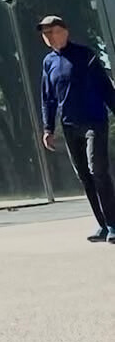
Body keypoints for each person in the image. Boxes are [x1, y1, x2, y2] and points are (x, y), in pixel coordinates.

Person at [38, 14, 115, 243]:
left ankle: (114, 223)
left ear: (65, 31)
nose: (49, 36)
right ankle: (103, 225)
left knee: (97, 170)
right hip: (70, 126)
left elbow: (105, 87)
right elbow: (48, 98)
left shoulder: (85, 55)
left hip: (94, 122)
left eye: (52, 31)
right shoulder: (48, 62)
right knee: (84, 175)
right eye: (45, 33)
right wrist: (48, 128)